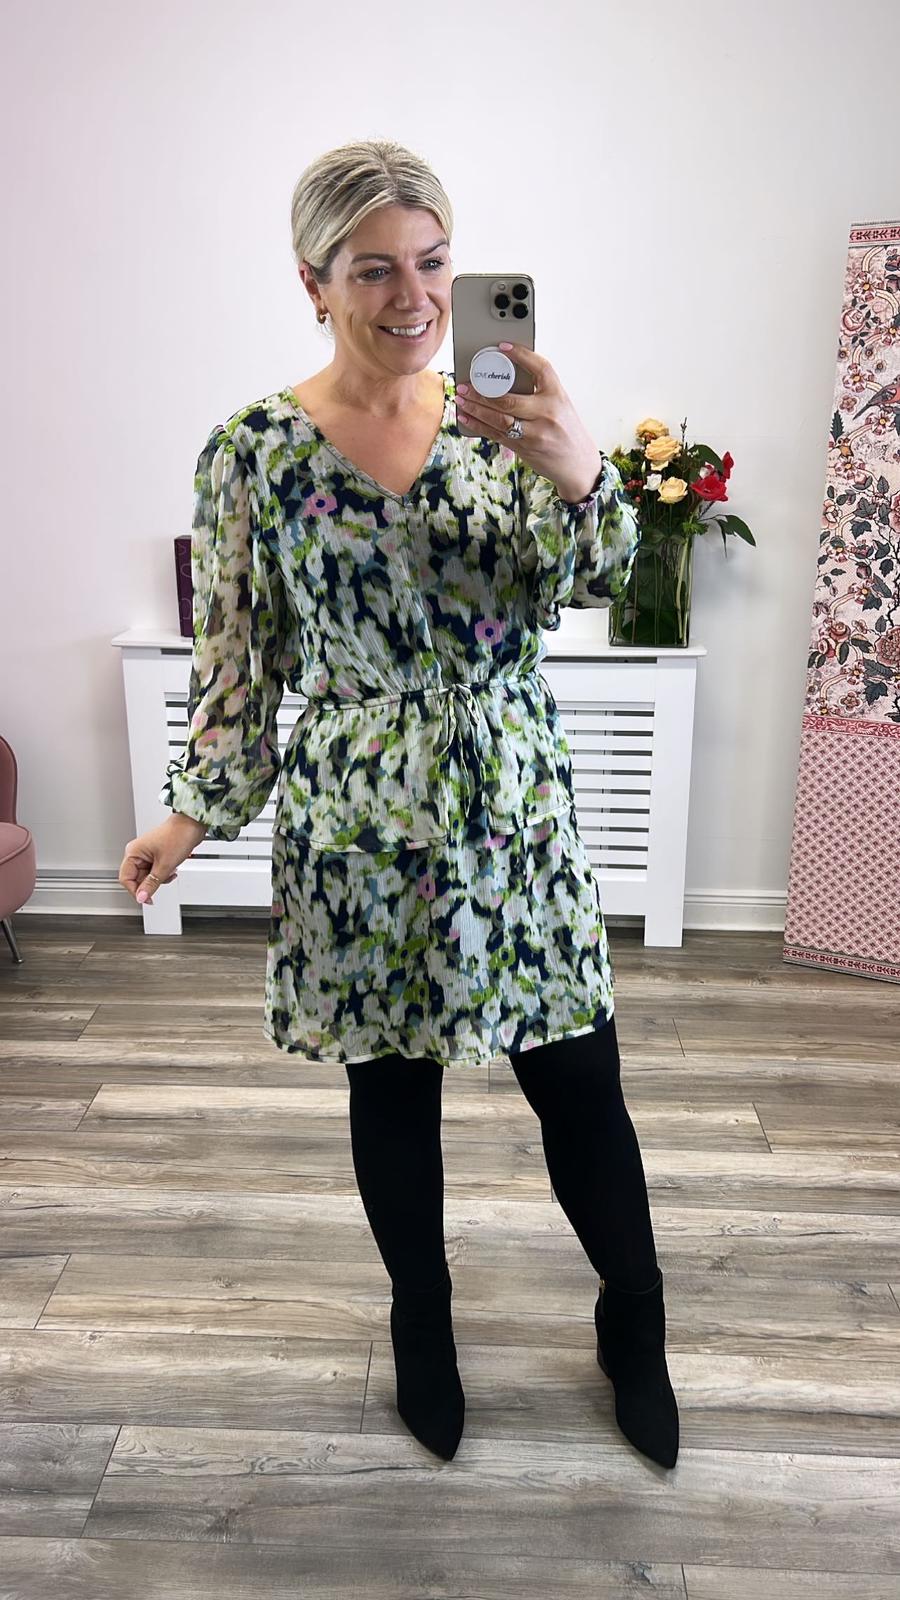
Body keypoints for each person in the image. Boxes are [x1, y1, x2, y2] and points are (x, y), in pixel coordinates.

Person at [118, 139, 678, 1470]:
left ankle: (636, 1318)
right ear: (313, 282)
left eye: (433, 262)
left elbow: (598, 579)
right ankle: (421, 1320)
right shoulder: (254, 454)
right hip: (359, 821)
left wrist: (581, 468)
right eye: (374, 270)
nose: (414, 296)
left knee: (579, 1079)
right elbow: (240, 661)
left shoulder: (506, 419)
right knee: (392, 1086)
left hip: (513, 806)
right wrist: (191, 812)